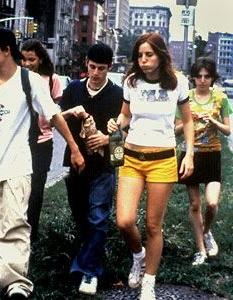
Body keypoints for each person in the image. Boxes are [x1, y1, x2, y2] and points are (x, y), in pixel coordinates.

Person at [0, 27, 85, 299]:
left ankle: (16, 282)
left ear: (7, 51)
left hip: (17, 165)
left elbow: (54, 116)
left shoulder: (29, 81)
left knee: (14, 223)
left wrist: (75, 148)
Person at [107, 32, 194, 300]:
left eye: (149, 55)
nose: (143, 61)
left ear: (160, 55)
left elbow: (188, 121)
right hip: (132, 157)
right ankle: (138, 256)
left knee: (154, 226)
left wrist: (189, 153)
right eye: (140, 56)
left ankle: (149, 282)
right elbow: (125, 114)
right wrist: (116, 124)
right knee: (124, 221)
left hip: (163, 159)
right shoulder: (131, 82)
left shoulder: (178, 82)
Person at [59, 42, 123, 295]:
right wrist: (70, 113)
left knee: (98, 217)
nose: (96, 74)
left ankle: (89, 272)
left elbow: (126, 132)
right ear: (86, 64)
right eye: (92, 67)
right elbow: (55, 120)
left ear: (109, 68)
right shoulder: (74, 89)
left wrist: (108, 139)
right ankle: (88, 259)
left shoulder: (117, 94)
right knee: (82, 216)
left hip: (104, 166)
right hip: (77, 163)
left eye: (102, 69)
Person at [175, 57, 232, 266]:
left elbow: (228, 130)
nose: (202, 80)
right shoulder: (186, 99)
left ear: (213, 78)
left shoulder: (220, 98)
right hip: (190, 154)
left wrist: (213, 121)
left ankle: (206, 232)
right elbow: (176, 129)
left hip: (212, 154)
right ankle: (200, 250)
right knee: (195, 204)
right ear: (193, 78)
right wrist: (191, 121)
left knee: (212, 203)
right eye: (198, 76)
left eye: (207, 76)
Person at [21, 39, 63, 243]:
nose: (27, 64)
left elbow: (55, 109)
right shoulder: (17, 78)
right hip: (20, 141)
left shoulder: (51, 79)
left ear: (40, 59)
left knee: (36, 190)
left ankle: (32, 233)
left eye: (32, 59)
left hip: (42, 141)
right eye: (24, 59)